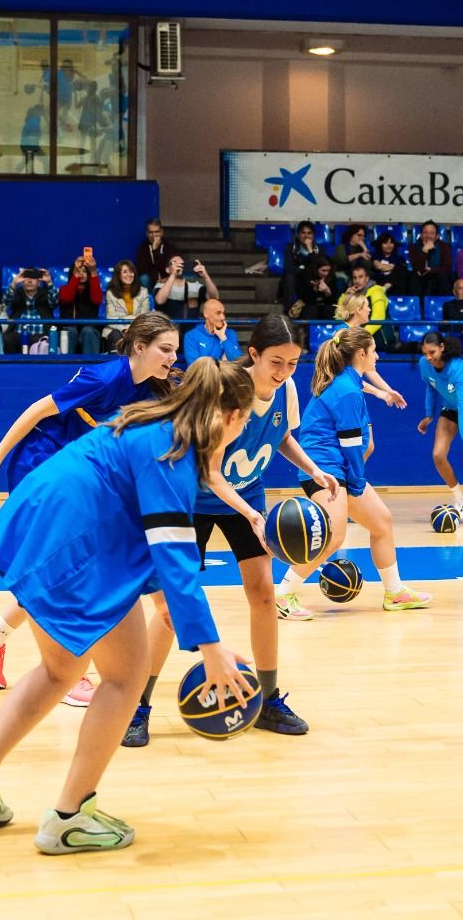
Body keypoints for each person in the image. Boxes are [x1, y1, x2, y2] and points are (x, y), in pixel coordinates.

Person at [0, 360, 255, 853]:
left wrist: (176, 614)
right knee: (127, 675)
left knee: (60, 669)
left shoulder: (153, 421)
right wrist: (210, 647)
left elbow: (148, 542)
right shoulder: (171, 450)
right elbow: (173, 553)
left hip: (49, 519)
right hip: (72, 537)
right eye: (246, 421)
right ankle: (69, 815)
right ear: (231, 417)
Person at [133, 315, 341, 743]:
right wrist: (250, 513)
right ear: (254, 355)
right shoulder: (228, 392)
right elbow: (209, 473)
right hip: (196, 497)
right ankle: (137, 705)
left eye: (292, 363)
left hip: (247, 496)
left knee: (264, 593)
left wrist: (313, 470)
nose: (284, 373)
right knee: (173, 606)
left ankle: (267, 699)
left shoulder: (287, 389)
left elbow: (281, 436)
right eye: (275, 363)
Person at [0, 313, 180, 702]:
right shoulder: (102, 379)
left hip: (81, 476)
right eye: (165, 349)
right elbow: (37, 410)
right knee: (68, 569)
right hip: (43, 461)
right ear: (139, 347)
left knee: (67, 568)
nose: (172, 358)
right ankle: (69, 668)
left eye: (175, 351)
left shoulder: (152, 391)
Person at [272, 328, 434, 612]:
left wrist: (355, 478)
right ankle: (282, 595)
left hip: (339, 468)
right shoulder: (347, 391)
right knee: (333, 536)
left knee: (381, 521)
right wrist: (357, 481)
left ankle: (395, 592)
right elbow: (351, 447)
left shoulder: (351, 385)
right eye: (374, 351)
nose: (378, 356)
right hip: (324, 470)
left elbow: (358, 446)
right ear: (361, 354)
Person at [416, 332, 463, 523]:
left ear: (442, 348)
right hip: (450, 409)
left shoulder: (457, 368)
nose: (429, 358)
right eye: (426, 353)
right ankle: (460, 500)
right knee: (438, 455)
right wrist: (429, 414)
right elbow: (431, 386)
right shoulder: (424, 364)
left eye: (432, 352)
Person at [57, 254, 104, 355]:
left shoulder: (93, 289)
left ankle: (91, 368)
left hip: (89, 330)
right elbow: (67, 298)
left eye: (84, 271)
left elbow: (97, 299)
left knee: (88, 331)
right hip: (69, 329)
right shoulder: (64, 289)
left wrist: (93, 271)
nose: (81, 274)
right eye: (79, 271)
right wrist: (76, 277)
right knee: (70, 331)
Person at [103, 259, 150, 350]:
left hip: (137, 329)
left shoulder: (143, 291)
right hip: (117, 329)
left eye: (131, 271)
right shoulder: (111, 293)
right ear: (118, 275)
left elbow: (144, 317)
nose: (129, 275)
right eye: (125, 272)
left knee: (143, 337)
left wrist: (131, 329)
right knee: (115, 335)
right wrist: (124, 329)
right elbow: (111, 318)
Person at [5, 269, 54, 352]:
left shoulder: (45, 293)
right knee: (7, 339)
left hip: (40, 335)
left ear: (39, 281)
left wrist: (49, 283)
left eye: (33, 277)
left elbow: (55, 302)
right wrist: (14, 284)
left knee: (45, 341)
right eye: (26, 277)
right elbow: (6, 302)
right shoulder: (16, 293)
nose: (30, 281)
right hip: (18, 334)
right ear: (22, 281)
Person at [183, 297, 242, 365]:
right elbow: (194, 366)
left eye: (223, 313)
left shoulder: (230, 334)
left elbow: (238, 362)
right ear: (206, 314)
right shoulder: (191, 336)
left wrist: (223, 337)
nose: (223, 317)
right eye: (218, 313)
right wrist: (223, 363)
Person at [279, 220, 322, 310]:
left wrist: (310, 250)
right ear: (298, 235)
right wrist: (305, 272)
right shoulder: (291, 247)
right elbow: (288, 267)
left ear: (313, 235)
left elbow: (320, 267)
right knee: (289, 277)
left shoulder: (319, 249)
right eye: (303, 233)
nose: (306, 236)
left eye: (309, 233)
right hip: (296, 279)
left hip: (311, 281)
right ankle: (290, 310)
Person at [133, 217, 180, 289]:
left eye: (156, 232)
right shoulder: (142, 249)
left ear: (161, 232)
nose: (154, 235)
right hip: (150, 280)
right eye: (151, 232)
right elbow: (141, 270)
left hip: (166, 279)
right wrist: (155, 276)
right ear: (147, 234)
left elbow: (169, 268)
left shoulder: (170, 248)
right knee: (144, 278)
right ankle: (151, 299)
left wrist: (155, 251)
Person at [408, 220, 453, 296]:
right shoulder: (414, 247)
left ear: (437, 236)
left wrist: (431, 270)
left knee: (442, 277)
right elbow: (418, 269)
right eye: (425, 233)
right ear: (421, 235)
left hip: (437, 277)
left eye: (432, 233)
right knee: (413, 276)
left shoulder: (443, 247)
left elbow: (447, 268)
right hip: (421, 279)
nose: (428, 236)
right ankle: (417, 305)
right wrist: (425, 250)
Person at [343, 264, 389, 335]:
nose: (357, 281)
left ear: (367, 278)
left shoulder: (376, 291)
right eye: (355, 278)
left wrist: (360, 336)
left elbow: (378, 319)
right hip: (357, 336)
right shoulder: (351, 293)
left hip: (377, 337)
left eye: (360, 277)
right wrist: (346, 298)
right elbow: (339, 317)